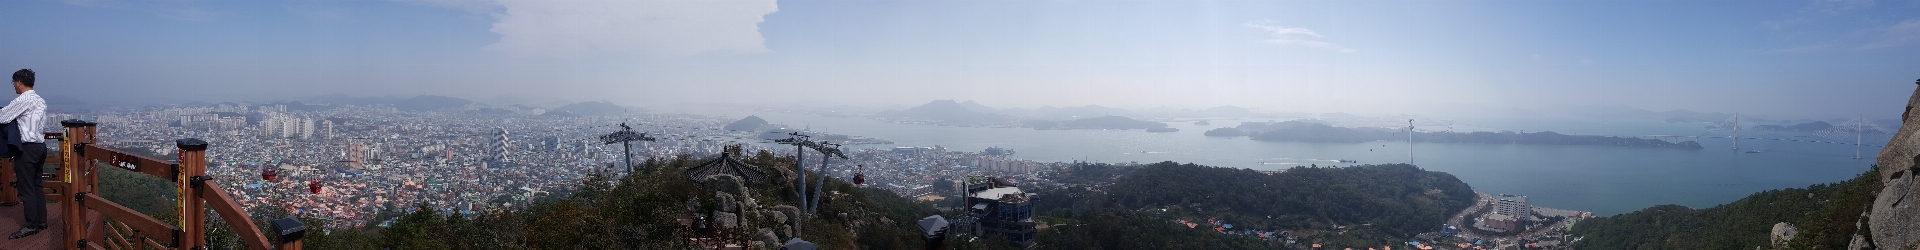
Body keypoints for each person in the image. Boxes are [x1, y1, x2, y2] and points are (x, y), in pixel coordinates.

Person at [2, 69, 46, 239]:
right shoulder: (40, 100)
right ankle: (41, 221)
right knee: (37, 187)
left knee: (26, 189)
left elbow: (3, 117)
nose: (13, 86)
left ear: (19, 81)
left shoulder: (23, 100)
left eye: (14, 82)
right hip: (40, 147)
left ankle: (31, 225)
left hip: (27, 149)